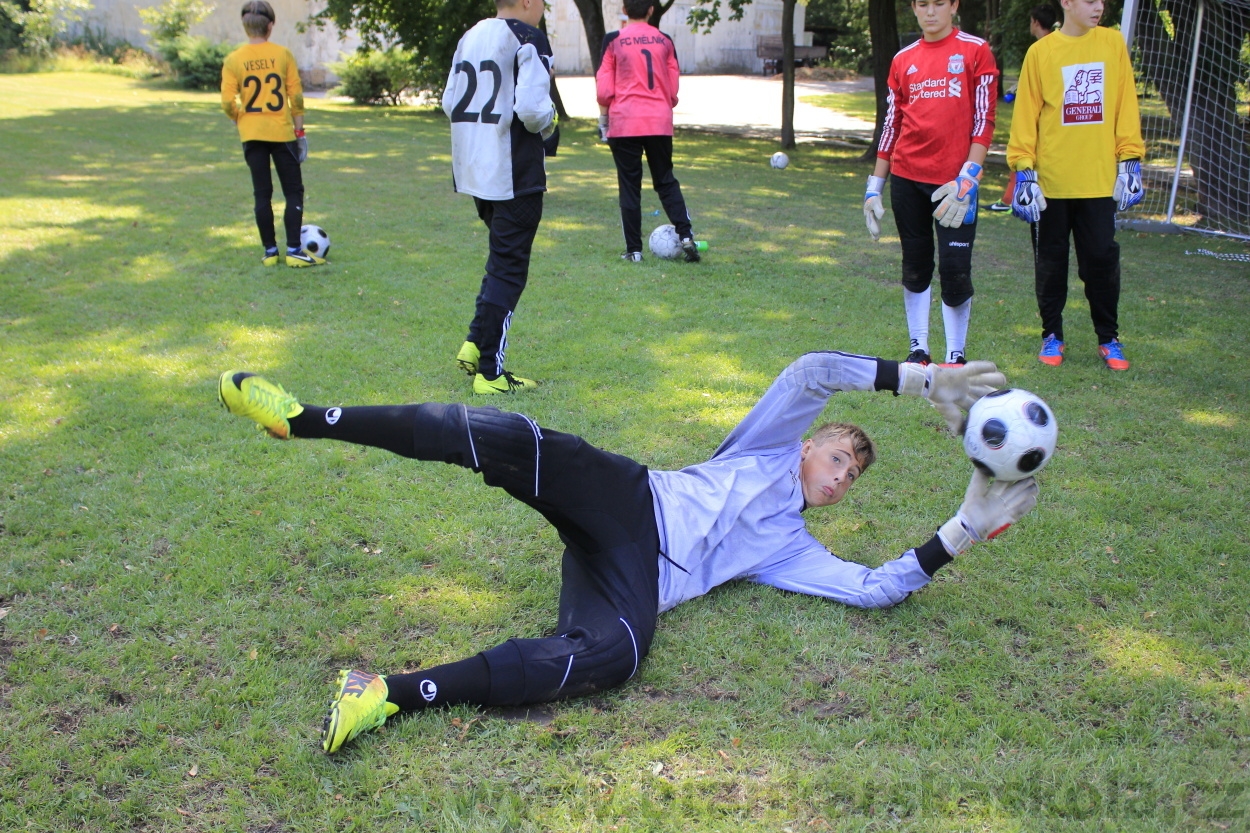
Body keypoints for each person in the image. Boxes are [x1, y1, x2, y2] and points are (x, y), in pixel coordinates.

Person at [215, 351, 1039, 754]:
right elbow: (813, 371)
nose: (839, 477)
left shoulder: (790, 547)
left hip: (634, 576)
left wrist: (965, 526)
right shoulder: (765, 445)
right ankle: (305, 417)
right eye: (836, 457)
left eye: (851, 477)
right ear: (807, 444)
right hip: (633, 498)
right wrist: (922, 378)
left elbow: (874, 586)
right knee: (512, 437)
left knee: (615, 657)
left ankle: (385, 692)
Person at [1006, 0, 1145, 370]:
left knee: (1101, 260)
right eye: (1090, 0)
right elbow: (1026, 117)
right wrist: (1024, 170)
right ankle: (1052, 335)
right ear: (1066, 2)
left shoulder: (1112, 44)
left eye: (1101, 1)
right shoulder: (1041, 53)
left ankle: (1109, 338)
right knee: (1050, 264)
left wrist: (1130, 160)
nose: (1099, 7)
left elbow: (1125, 105)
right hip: (1050, 186)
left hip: (1099, 182)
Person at [863, 0, 999, 367]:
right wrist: (875, 186)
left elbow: (984, 120)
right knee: (915, 265)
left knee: (955, 271)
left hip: (956, 185)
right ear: (913, 8)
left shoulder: (976, 51)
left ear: (954, 5)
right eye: (923, 3)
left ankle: (956, 355)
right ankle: (918, 350)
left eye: (940, 2)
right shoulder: (902, 59)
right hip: (907, 179)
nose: (931, 11)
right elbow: (891, 125)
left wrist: (968, 176)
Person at [443, 0, 558, 395]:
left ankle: (476, 342)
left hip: (476, 169)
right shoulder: (528, 37)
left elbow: (449, 103)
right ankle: (490, 373)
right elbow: (532, 110)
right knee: (509, 269)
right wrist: (551, 118)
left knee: (500, 259)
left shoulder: (470, 36)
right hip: (513, 172)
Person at [596, 0, 700, 263]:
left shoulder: (613, 40)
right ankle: (686, 236)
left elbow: (604, 89)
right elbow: (672, 88)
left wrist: (603, 120)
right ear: (652, 9)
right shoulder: (665, 41)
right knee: (665, 180)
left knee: (629, 187)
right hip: (658, 121)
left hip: (624, 122)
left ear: (624, 9)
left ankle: (634, 251)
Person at [220, 1, 321, 268]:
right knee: (293, 191)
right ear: (271, 26)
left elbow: (228, 102)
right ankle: (294, 250)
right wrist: (300, 132)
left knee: (262, 193)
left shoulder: (234, 59)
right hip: (281, 132)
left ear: (245, 26)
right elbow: (295, 97)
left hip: (251, 134)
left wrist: (238, 118)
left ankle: (270, 252)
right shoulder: (282, 54)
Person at [989, 4, 1058, 212]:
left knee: (1024, 155)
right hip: (1036, 117)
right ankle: (1011, 199)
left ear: (1035, 22)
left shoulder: (1050, 48)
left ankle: (1013, 200)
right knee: (1022, 155)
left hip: (1042, 121)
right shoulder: (1039, 49)